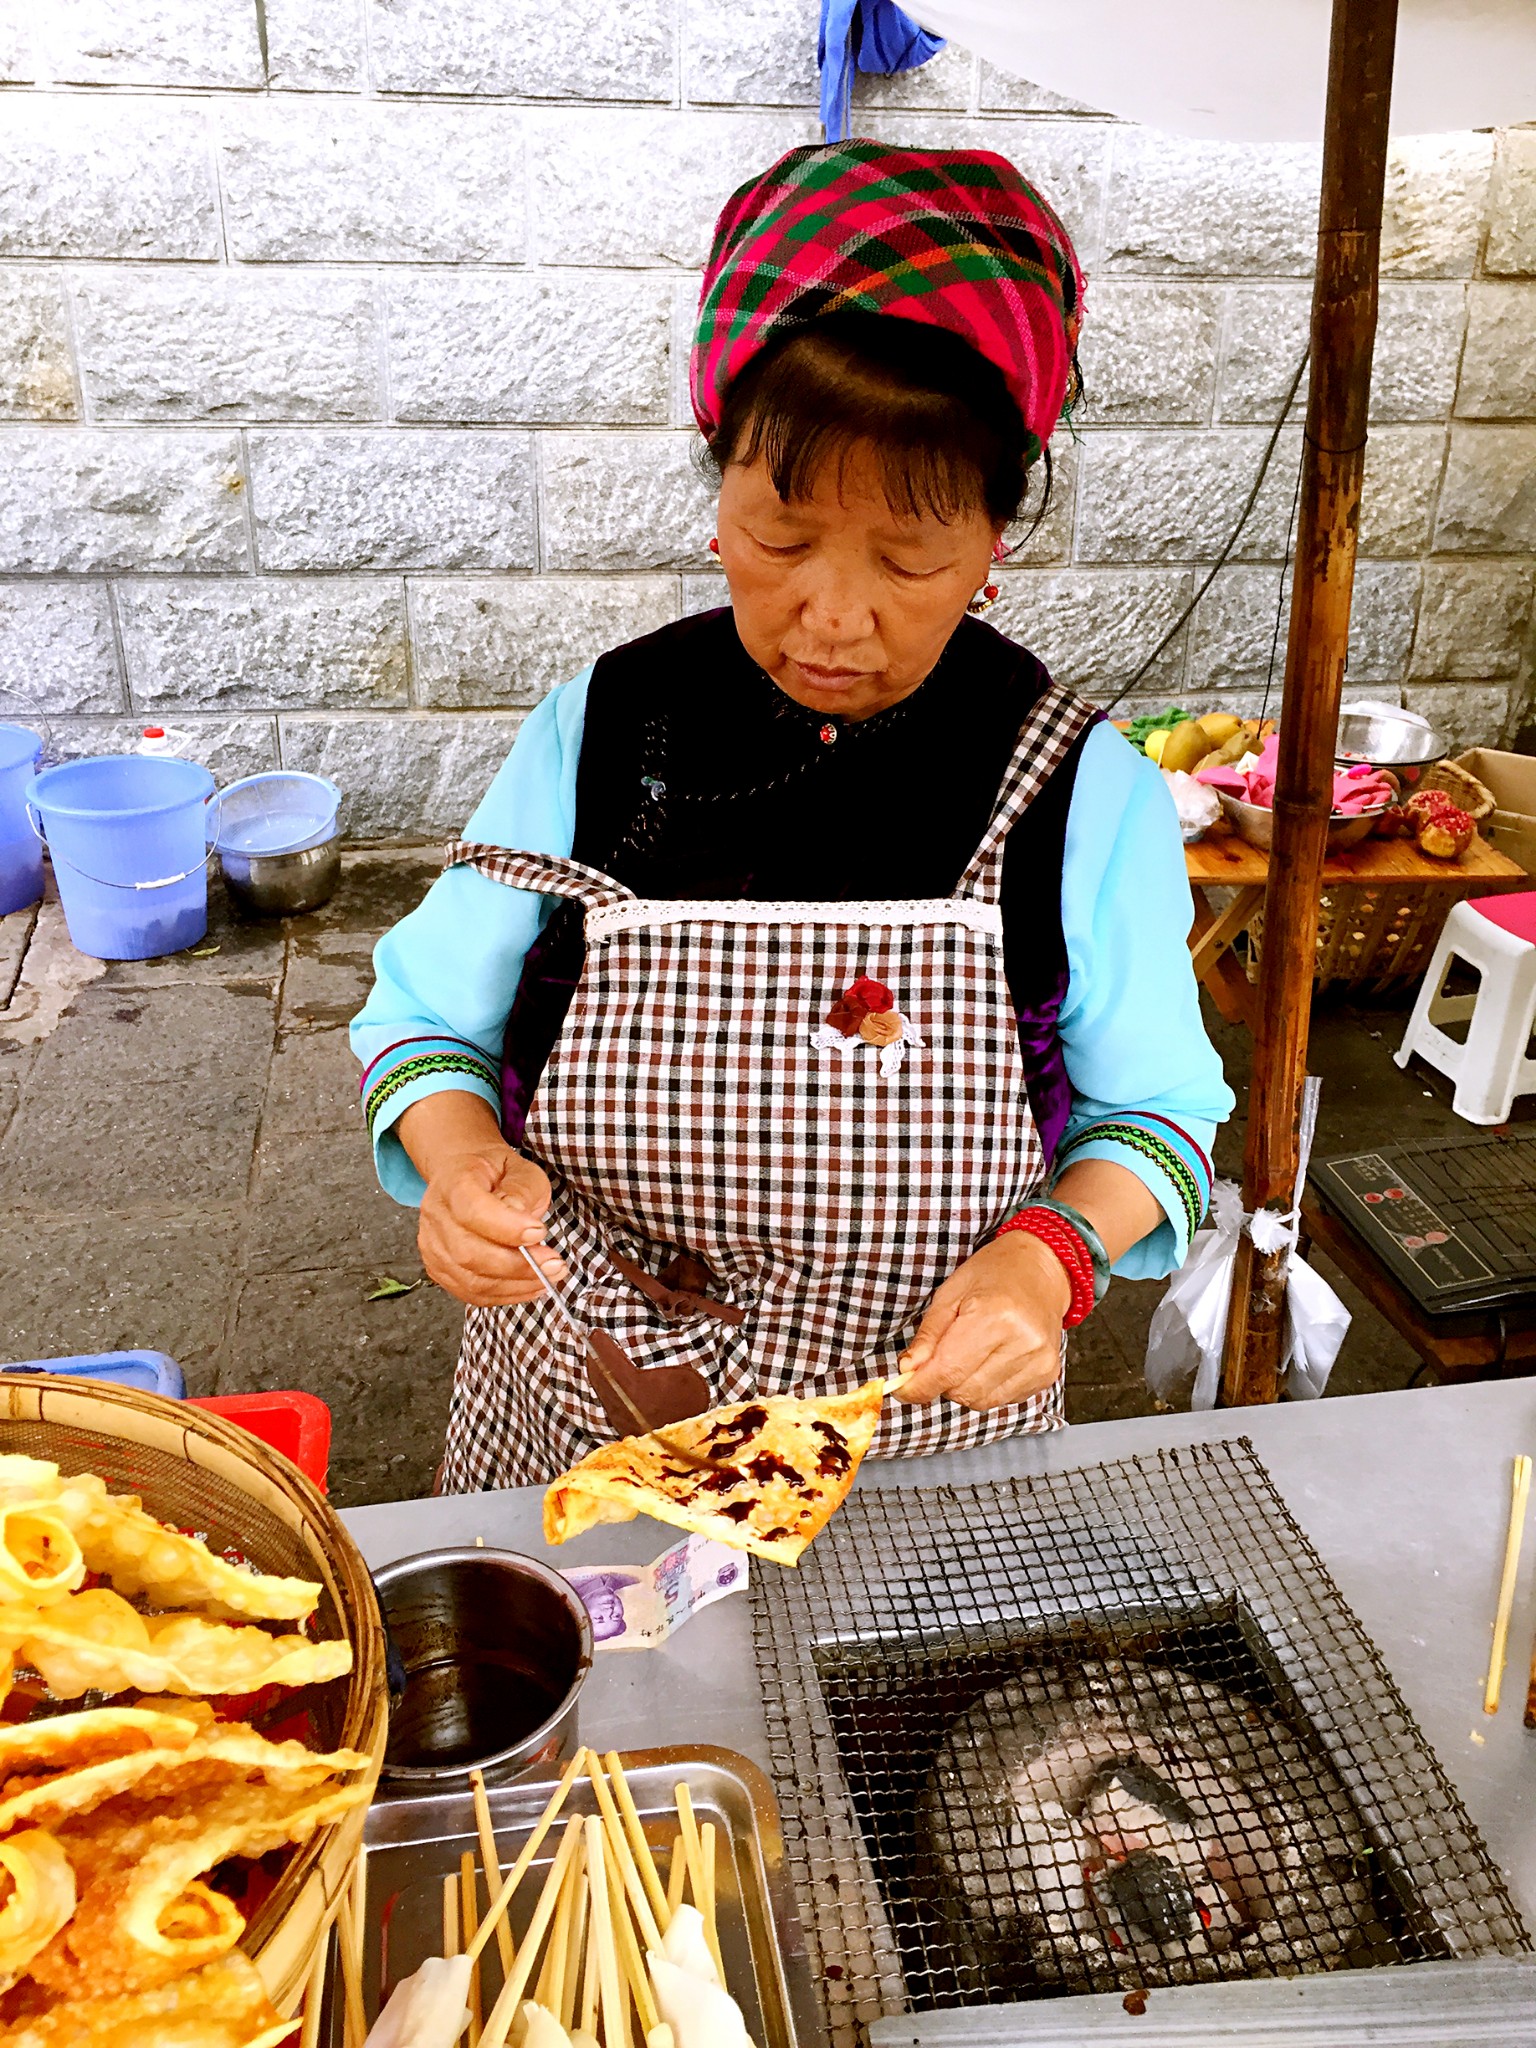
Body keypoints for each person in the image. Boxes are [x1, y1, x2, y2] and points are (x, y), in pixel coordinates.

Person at [352, 140, 1234, 1491]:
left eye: (908, 557)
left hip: (917, 1439)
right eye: (781, 535)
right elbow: (425, 1019)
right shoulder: (600, 729)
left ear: (998, 539)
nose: (833, 614)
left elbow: (1158, 1119)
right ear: (719, 491)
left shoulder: (1075, 783)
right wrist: (461, 1163)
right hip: (587, 1420)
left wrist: (1044, 1260)